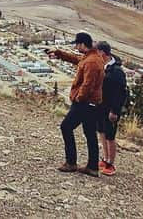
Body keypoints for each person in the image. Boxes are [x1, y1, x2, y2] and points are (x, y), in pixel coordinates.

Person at [47, 31, 104, 176]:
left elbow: (88, 85)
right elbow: (76, 59)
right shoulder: (92, 57)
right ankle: (92, 167)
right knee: (90, 134)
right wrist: (59, 53)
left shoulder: (91, 61)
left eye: (77, 44)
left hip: (84, 103)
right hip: (92, 104)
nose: (76, 47)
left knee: (66, 127)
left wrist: (78, 98)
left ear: (82, 44)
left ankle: (71, 162)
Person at [95, 41, 128, 177]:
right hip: (101, 106)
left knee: (110, 135)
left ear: (102, 53)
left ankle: (111, 163)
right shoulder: (103, 66)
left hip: (111, 109)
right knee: (102, 131)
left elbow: (120, 93)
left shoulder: (116, 71)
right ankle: (105, 158)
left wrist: (115, 111)